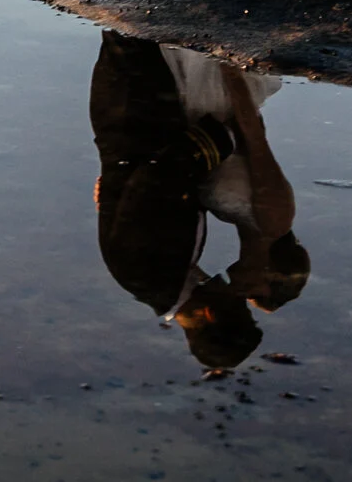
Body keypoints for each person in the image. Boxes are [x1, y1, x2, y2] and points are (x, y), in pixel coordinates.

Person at [87, 31, 310, 369]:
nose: (233, 289)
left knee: (133, 18)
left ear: (209, 314)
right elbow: (140, 198)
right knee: (142, 14)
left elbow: (157, 178)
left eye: (235, 301)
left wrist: (222, 136)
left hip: (135, 101)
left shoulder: (151, 274)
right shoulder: (163, 278)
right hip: (148, 105)